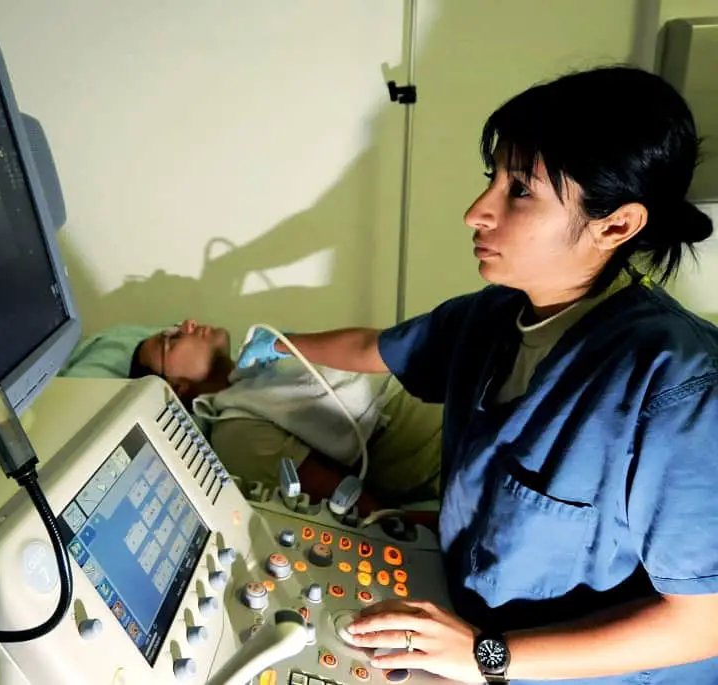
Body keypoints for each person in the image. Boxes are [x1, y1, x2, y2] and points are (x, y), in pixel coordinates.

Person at [236, 65, 718, 684]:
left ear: (616, 225)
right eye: (492, 180)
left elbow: (703, 621)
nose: (475, 212)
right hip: (468, 624)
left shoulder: (677, 387)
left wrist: (485, 656)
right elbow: (372, 346)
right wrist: (270, 345)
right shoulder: (492, 318)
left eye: (520, 191)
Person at [128, 320, 443, 513]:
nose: (187, 324)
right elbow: (355, 505)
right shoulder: (236, 434)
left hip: (447, 394)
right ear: (177, 387)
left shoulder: (260, 370)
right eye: (171, 340)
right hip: (442, 443)